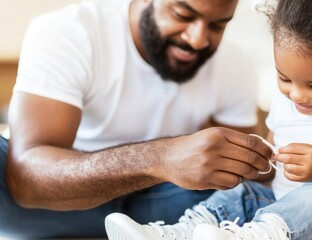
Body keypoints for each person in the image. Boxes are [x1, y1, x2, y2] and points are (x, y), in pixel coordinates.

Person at [104, 0, 312, 239]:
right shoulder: (283, 104)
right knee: (243, 191)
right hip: (274, 213)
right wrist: (256, 162)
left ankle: (249, 236)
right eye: (284, 78)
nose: (297, 95)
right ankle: (179, 232)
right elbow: (269, 175)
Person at [0, 0, 275, 238]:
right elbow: (26, 179)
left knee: (260, 198)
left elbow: (244, 180)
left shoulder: (235, 66)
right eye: (183, 15)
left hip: (164, 203)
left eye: (217, 25)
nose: (198, 39)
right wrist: (160, 157)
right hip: (64, 197)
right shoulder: (70, 32)